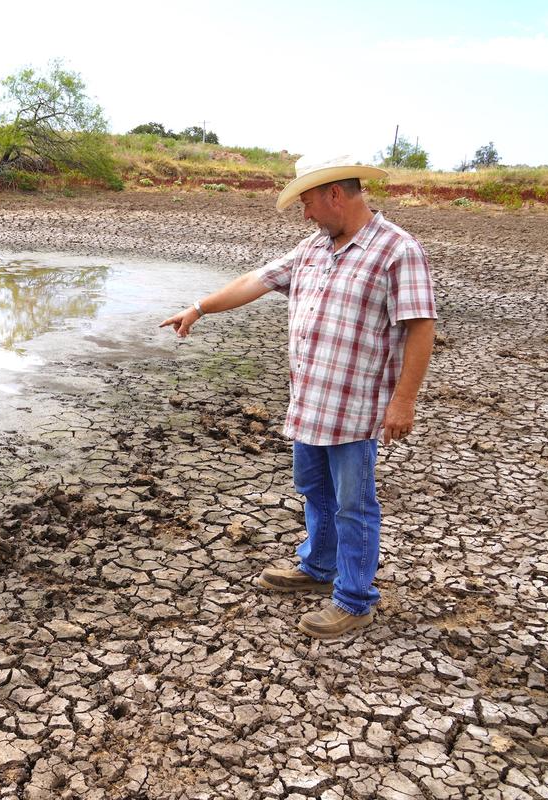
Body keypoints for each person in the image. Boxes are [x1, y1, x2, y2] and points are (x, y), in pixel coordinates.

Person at [160, 154, 437, 639]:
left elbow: (421, 327)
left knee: (354, 505)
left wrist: (404, 401)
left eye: (307, 202)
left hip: (355, 410)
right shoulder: (313, 248)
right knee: (314, 489)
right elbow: (255, 281)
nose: (305, 214)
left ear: (335, 194)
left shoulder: (398, 250)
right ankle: (318, 566)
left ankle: (354, 600)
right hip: (310, 402)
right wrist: (199, 308)